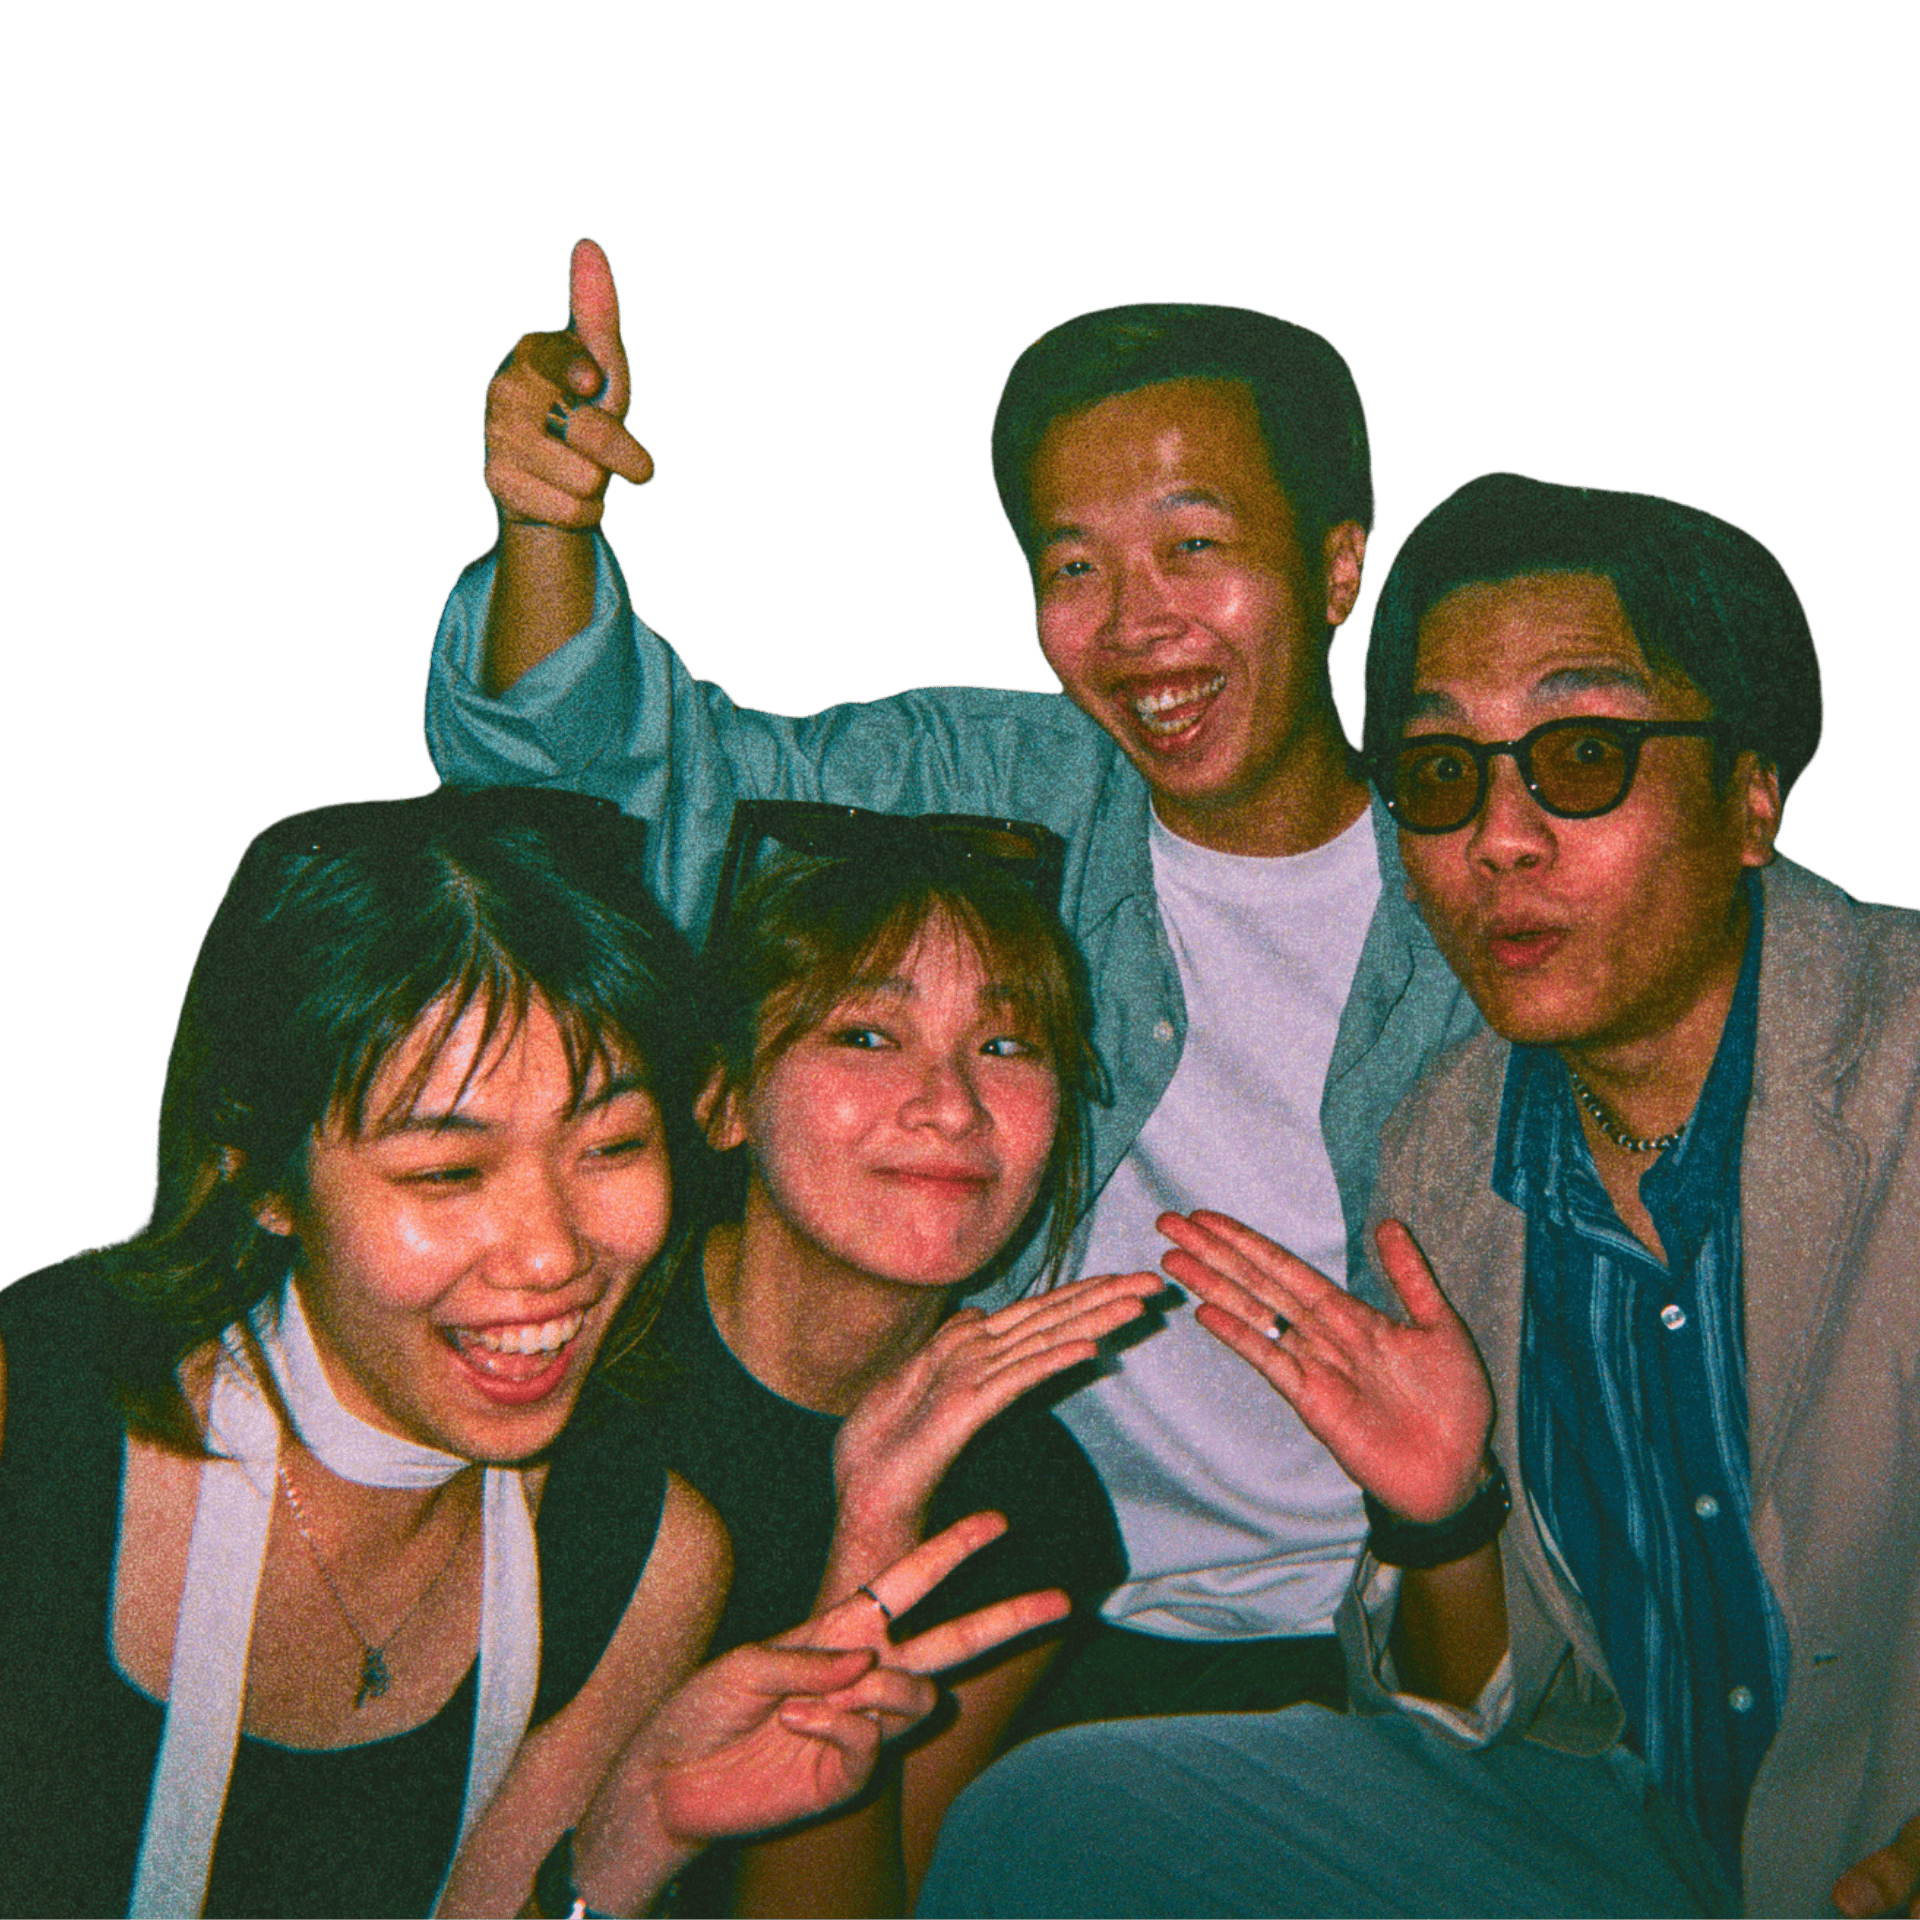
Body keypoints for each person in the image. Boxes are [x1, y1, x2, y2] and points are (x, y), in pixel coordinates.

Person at [422, 240, 1481, 1725]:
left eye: (1194, 545)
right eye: (1074, 566)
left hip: (1392, 1623)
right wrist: (549, 531)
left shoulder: (1487, 896)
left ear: (1335, 567)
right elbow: (610, 807)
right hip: (1019, 1577)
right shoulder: (1006, 790)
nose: (1136, 623)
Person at [916, 474, 1920, 1920]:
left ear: (1751, 797)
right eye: (1443, 776)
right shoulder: (1450, 1152)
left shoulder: (1897, 1063)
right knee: (1052, 1820)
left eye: (1581, 755)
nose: (1499, 839)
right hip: (1633, 1845)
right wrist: (1442, 1521)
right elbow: (1498, 1722)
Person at [0, 785, 1065, 1920]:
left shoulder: (648, 1552)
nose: (553, 1253)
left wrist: (625, 1846)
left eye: (610, 1146)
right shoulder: (38, 1407)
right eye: (447, 1172)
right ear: (262, 1176)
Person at [647, 800, 1154, 1915]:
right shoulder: (577, 1353)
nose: (951, 1106)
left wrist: (873, 1531)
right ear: (724, 1098)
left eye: (1006, 1046)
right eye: (869, 1036)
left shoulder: (1025, 1503)